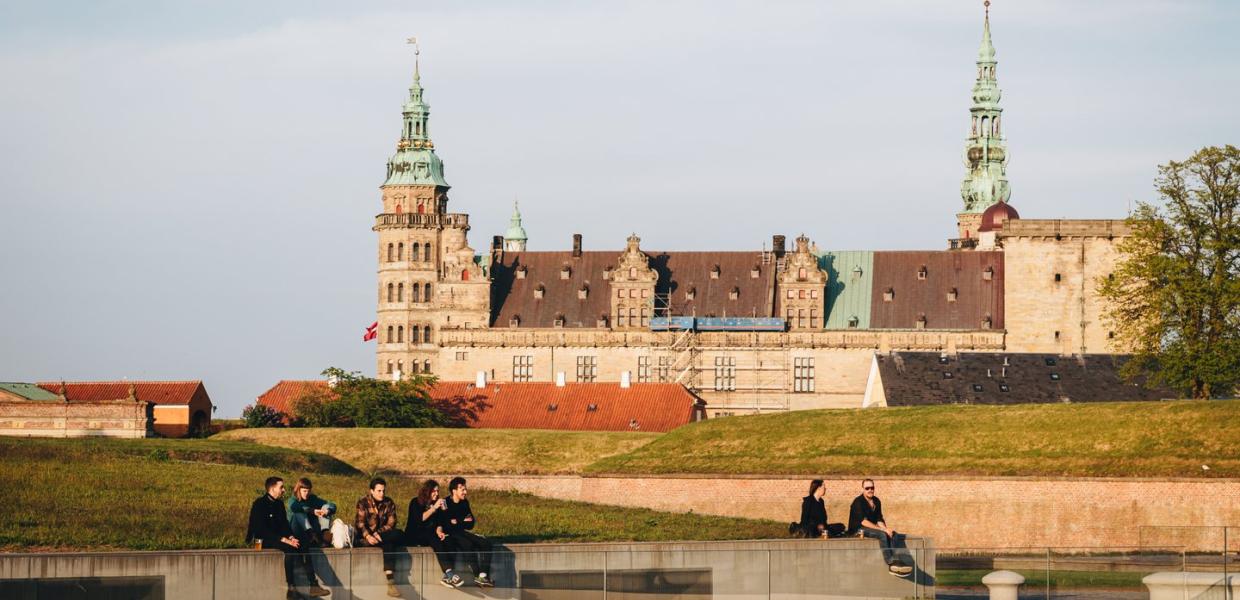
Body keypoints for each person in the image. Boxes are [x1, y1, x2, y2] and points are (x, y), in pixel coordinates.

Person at [246, 476, 330, 598]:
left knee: (302, 544)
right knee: (290, 549)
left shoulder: (279, 504)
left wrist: (291, 537)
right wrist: (284, 540)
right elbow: (261, 529)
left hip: (279, 537)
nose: (284, 490)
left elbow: (284, 524)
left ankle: (313, 585)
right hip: (264, 539)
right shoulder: (259, 504)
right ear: (272, 489)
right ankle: (291, 588)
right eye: (281, 487)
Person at [847, 479, 912, 576]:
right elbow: (863, 522)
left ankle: (896, 561)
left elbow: (879, 519)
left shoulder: (877, 501)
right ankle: (890, 562)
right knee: (882, 534)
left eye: (872, 488)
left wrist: (887, 529)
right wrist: (882, 530)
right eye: (867, 488)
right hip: (858, 529)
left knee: (893, 534)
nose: (870, 490)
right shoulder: (858, 502)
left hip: (871, 527)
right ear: (863, 489)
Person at [406, 479, 463, 588]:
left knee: (448, 539)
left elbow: (439, 522)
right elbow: (420, 519)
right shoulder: (416, 502)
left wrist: (440, 531)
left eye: (437, 491)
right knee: (434, 539)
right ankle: (449, 572)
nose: (436, 494)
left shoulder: (436, 504)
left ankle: (448, 575)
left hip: (430, 534)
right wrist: (434, 508)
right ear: (427, 491)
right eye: (434, 491)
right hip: (415, 534)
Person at [355, 477, 404, 597]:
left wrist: (379, 534)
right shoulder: (363, 502)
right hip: (367, 538)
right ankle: (391, 581)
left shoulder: (389, 502)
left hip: (382, 536)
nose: (382, 494)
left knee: (399, 534)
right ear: (372, 491)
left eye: (383, 491)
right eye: (379, 491)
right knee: (390, 543)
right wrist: (368, 536)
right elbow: (360, 523)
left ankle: (390, 582)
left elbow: (391, 523)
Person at [441, 477, 494, 587]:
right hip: (450, 535)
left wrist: (457, 522)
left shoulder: (464, 503)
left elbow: (470, 524)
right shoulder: (445, 503)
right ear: (454, 491)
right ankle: (476, 575)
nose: (465, 492)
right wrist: (461, 521)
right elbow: (447, 524)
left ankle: (483, 575)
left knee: (486, 543)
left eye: (465, 489)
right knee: (468, 544)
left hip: (461, 532)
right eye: (462, 489)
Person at [288, 477, 337, 548]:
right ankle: (311, 534)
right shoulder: (293, 500)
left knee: (326, 506)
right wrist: (312, 511)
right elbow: (295, 507)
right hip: (296, 530)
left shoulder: (312, 498)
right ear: (299, 490)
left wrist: (328, 510)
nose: (306, 494)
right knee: (299, 511)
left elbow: (331, 504)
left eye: (308, 491)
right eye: (304, 491)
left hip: (314, 529)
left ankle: (324, 533)